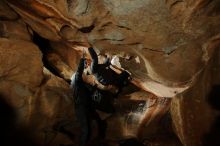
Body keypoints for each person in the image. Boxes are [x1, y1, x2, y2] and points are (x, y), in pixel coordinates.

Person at [71, 57, 107, 146]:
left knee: (100, 121)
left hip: (88, 107)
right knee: (86, 129)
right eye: (84, 74)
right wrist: (82, 62)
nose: (85, 75)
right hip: (81, 108)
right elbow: (79, 72)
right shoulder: (76, 83)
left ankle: (101, 138)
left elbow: (92, 91)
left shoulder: (83, 84)